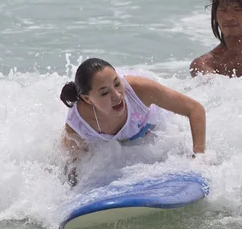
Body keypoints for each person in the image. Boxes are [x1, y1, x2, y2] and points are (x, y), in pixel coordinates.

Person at [60, 58, 206, 185]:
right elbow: (72, 160)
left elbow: (195, 109)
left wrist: (198, 158)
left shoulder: (140, 90)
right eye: (104, 93)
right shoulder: (78, 123)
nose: (117, 95)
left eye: (117, 83)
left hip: (152, 127)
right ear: (87, 99)